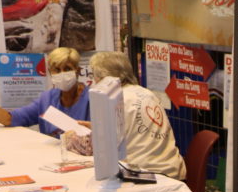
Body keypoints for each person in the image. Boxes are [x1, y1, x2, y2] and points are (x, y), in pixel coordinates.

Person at [66, 51, 185, 179]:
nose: (94, 80)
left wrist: (71, 138)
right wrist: (96, 127)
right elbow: (132, 130)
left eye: (94, 75)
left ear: (104, 78)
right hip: (173, 170)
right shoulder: (147, 93)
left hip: (145, 175)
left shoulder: (114, 101)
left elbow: (97, 148)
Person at [0, 47, 87, 136]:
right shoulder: (47, 99)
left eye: (67, 69)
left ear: (78, 70)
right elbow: (10, 119)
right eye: (57, 70)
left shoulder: (92, 99)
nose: (62, 74)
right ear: (51, 73)